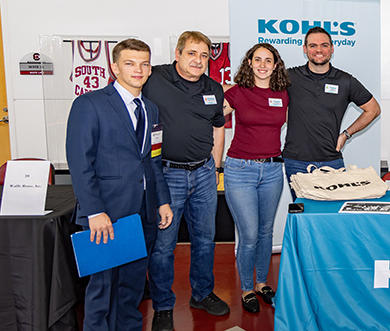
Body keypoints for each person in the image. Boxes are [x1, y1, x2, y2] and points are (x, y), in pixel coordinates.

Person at [66, 39, 173, 330]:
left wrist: (162, 200)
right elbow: (80, 163)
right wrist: (94, 211)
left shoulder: (150, 109)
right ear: (114, 67)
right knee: (102, 287)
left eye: (144, 63)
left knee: (132, 285)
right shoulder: (90, 104)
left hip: (143, 213)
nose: (138, 69)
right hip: (106, 213)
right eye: (130, 63)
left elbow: (153, 159)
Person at [143, 31, 228, 331]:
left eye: (204, 55)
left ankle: (202, 294)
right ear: (178, 53)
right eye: (192, 53)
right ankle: (163, 305)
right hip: (167, 175)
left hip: (204, 173)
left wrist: (215, 167)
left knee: (205, 240)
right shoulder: (155, 79)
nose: (198, 60)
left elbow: (219, 127)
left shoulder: (214, 89)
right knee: (164, 246)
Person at [221, 43, 289, 313]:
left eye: (268, 60)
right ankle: (246, 288)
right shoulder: (237, 92)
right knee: (248, 235)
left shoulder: (284, 94)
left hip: (272, 169)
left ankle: (261, 283)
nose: (262, 64)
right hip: (240, 169)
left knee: (265, 231)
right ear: (249, 63)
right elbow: (209, 118)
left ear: (275, 65)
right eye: (257, 59)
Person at [282, 26, 381, 200]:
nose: (318, 50)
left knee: (330, 217)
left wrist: (346, 134)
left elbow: (373, 109)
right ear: (305, 49)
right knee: (304, 215)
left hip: (331, 161)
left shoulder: (345, 80)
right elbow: (259, 91)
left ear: (332, 49)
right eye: (313, 46)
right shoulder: (289, 77)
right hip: (296, 161)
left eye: (324, 45)